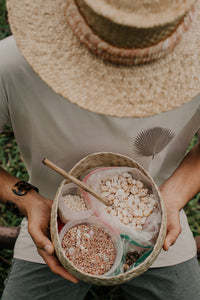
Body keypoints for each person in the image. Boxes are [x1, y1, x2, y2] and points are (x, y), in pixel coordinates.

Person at [1, 0, 200, 299]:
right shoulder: (12, 64)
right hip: (53, 217)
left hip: (155, 215)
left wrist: (172, 198)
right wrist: (30, 201)